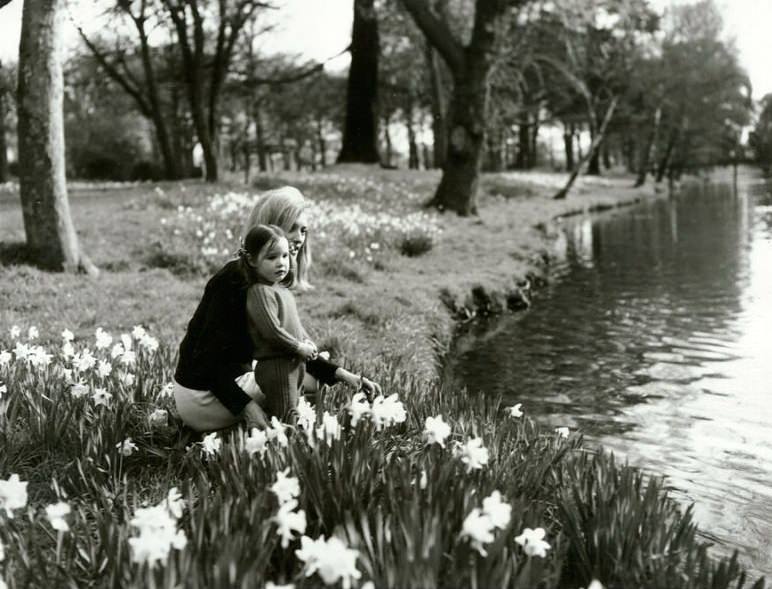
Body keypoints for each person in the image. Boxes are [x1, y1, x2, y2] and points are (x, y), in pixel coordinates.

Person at [173, 186, 381, 433]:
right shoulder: (233, 280)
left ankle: (273, 425)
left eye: (303, 230)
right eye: (291, 228)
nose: (299, 238)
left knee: (311, 375)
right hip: (201, 396)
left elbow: (294, 342)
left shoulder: (266, 280)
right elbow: (204, 360)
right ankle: (275, 431)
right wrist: (247, 407)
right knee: (293, 374)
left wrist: (346, 377)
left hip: (220, 386)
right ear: (269, 228)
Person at [242, 224, 314, 423]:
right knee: (285, 416)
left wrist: (307, 341)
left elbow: (294, 326)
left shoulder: (282, 290)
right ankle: (278, 449)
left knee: (292, 408)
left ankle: (289, 446)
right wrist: (298, 346)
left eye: (284, 256)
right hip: (277, 366)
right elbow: (272, 331)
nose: (280, 263)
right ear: (252, 260)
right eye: (271, 257)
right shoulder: (260, 292)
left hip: (292, 363)